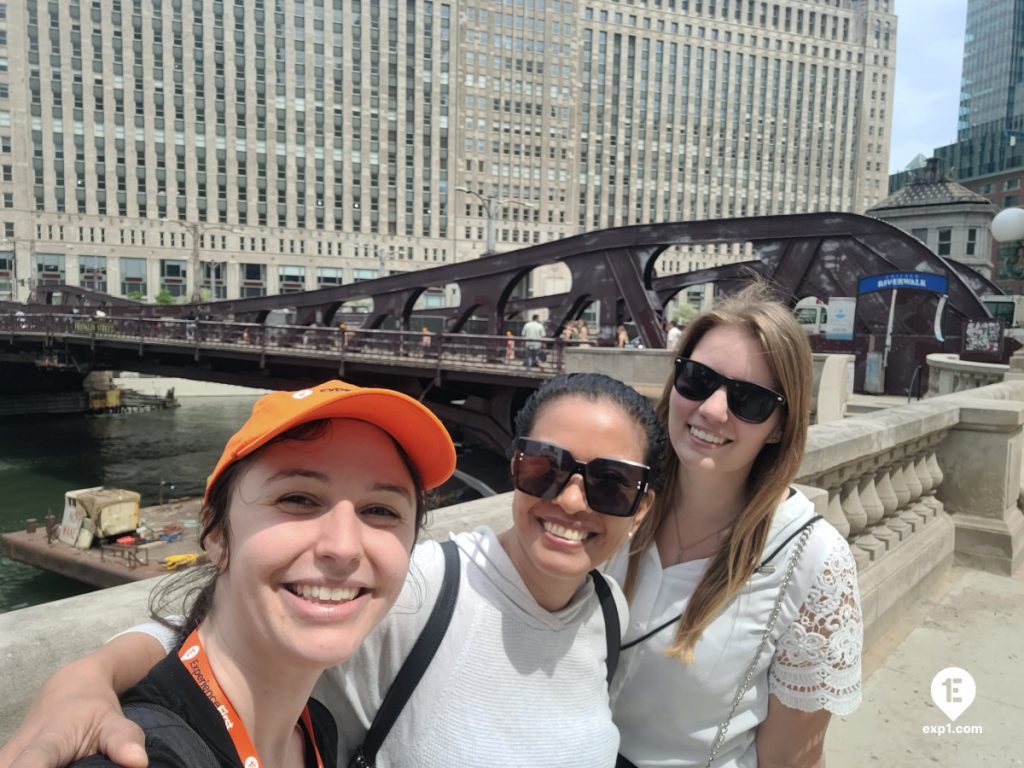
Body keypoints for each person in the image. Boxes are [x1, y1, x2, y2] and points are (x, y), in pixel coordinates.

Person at [1, 373, 664, 768]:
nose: (571, 499)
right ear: (215, 532)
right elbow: (190, 627)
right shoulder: (430, 587)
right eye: (544, 467)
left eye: (611, 484)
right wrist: (83, 677)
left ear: (641, 508)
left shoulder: (608, 613)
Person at [39, 379, 456, 768]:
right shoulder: (142, 751)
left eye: (381, 510)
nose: (343, 547)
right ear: (217, 535)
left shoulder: (314, 729)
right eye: (298, 499)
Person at [607, 283, 863, 767]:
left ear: (781, 426)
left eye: (748, 400)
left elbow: (791, 759)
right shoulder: (612, 495)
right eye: (698, 380)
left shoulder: (812, 564)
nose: (711, 410)